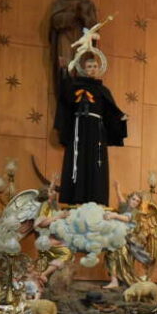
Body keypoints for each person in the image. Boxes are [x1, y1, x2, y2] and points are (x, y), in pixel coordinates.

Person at [54, 53, 128, 206]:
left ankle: (95, 197)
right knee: (78, 159)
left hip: (96, 132)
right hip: (79, 130)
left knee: (96, 162)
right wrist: (64, 71)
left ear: (99, 69)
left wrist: (120, 118)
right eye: (89, 66)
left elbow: (110, 111)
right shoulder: (75, 87)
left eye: (95, 66)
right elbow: (65, 96)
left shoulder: (103, 90)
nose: (92, 69)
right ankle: (76, 197)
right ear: (84, 69)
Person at [49, 0, 98, 83]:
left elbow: (94, 27)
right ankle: (66, 87)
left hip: (83, 37)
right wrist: (73, 16)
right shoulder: (61, 0)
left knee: (82, 66)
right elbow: (55, 20)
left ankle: (81, 88)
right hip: (65, 36)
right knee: (65, 66)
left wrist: (84, 17)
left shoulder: (88, 3)